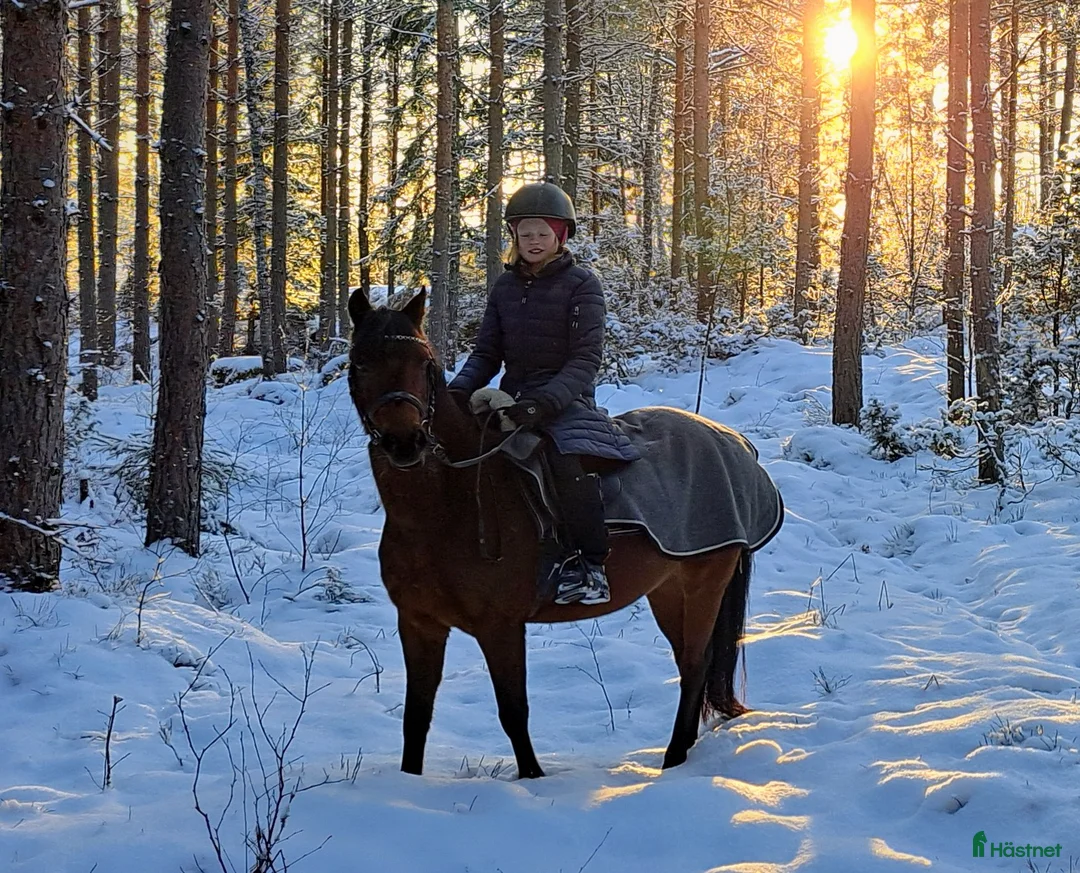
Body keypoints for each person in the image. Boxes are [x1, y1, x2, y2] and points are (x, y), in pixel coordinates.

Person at [448, 182, 640, 606]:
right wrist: (458, 392)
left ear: (560, 236)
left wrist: (546, 402)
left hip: (565, 401)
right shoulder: (504, 287)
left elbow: (585, 359)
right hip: (513, 399)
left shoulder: (582, 285)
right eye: (525, 233)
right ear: (515, 237)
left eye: (542, 233)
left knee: (563, 459)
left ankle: (591, 564)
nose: (533, 241)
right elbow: (487, 353)